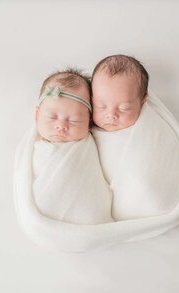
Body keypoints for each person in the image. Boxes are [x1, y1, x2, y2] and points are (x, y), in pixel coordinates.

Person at [91, 55, 179, 220]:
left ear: (142, 102)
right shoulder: (86, 127)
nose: (111, 115)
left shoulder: (152, 128)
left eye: (124, 107)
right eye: (101, 106)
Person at [32, 69, 114, 224]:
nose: (61, 126)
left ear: (89, 123)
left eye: (74, 121)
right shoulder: (36, 147)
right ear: (37, 116)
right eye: (51, 117)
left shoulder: (90, 145)